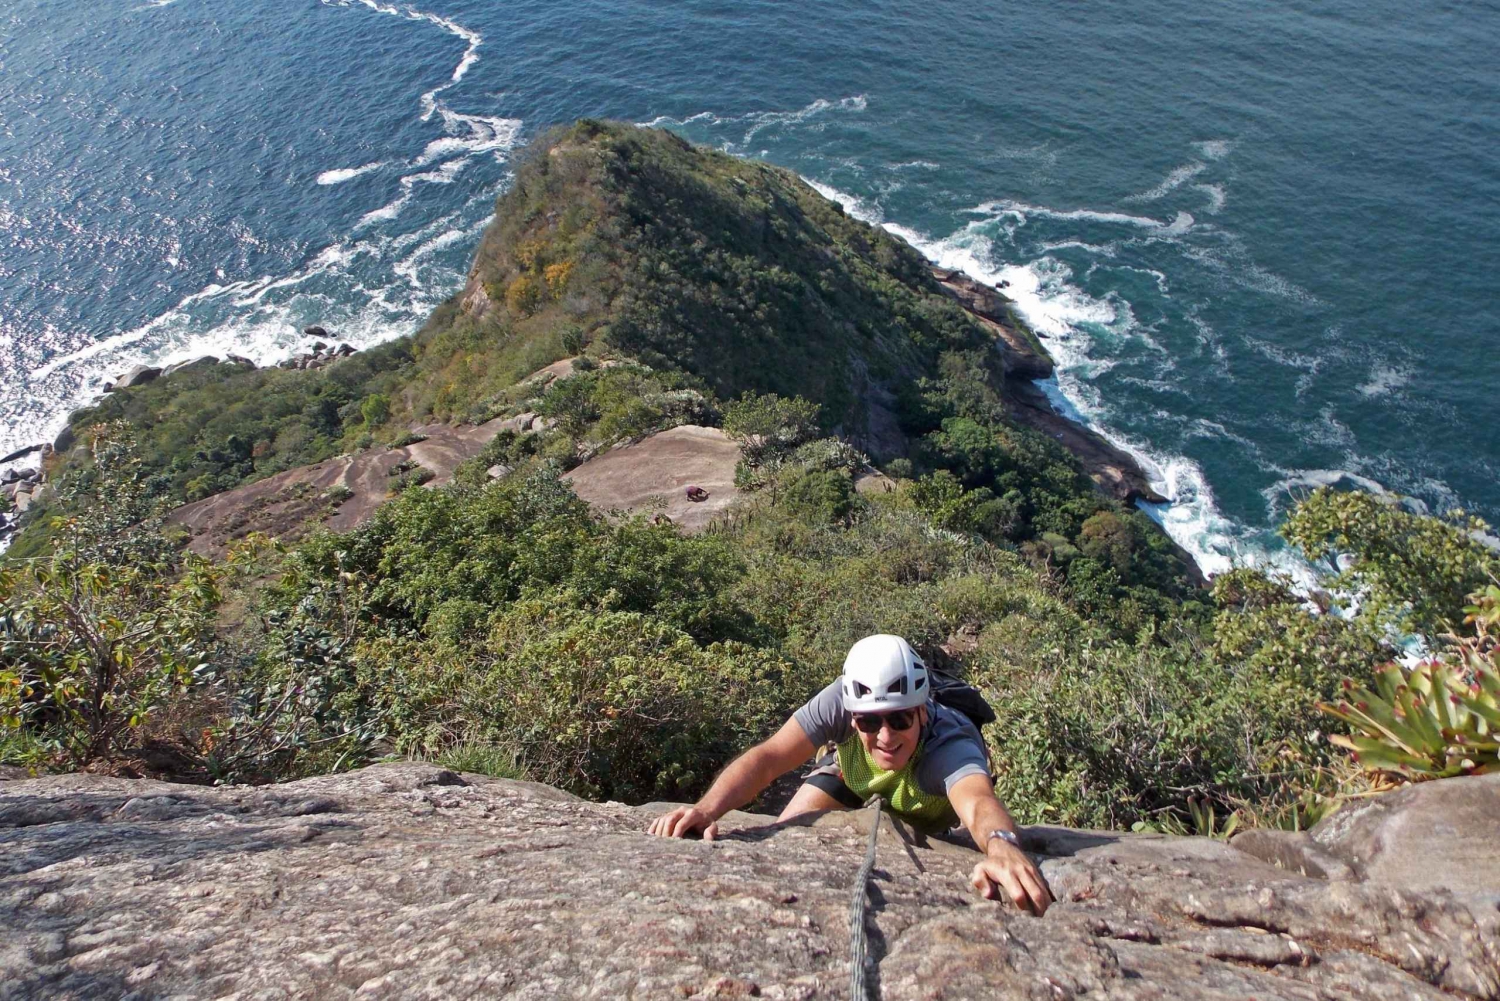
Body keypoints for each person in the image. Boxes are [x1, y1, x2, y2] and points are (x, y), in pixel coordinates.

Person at [647, 634, 1052, 916]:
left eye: (900, 719)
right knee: (785, 839)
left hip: (925, 804)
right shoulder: (838, 703)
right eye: (870, 723)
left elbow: (978, 800)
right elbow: (770, 757)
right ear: (852, 717)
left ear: (922, 711)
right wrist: (707, 810)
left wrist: (1001, 847)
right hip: (851, 776)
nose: (886, 736)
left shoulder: (949, 745)